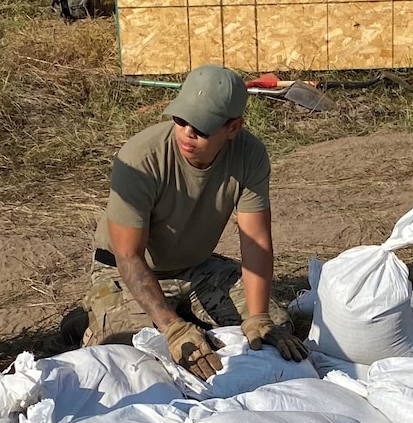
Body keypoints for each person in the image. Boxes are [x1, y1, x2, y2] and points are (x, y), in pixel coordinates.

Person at [83, 64, 307, 380]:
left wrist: (258, 317)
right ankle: (91, 320)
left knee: (275, 327)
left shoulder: (250, 156)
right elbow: (128, 255)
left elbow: (255, 242)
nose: (188, 132)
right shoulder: (139, 158)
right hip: (124, 272)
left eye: (201, 127)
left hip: (195, 269)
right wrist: (172, 328)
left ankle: (186, 316)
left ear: (233, 128)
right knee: (134, 353)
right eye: (181, 120)